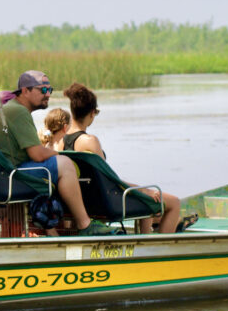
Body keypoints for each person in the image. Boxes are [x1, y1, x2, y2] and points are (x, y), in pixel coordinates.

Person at [0, 71, 113, 236]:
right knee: (65, 164)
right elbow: (37, 154)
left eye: (50, 89)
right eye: (43, 90)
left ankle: (54, 230)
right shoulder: (19, 112)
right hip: (6, 177)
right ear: (25, 91)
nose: (48, 94)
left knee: (58, 164)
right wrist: (58, 156)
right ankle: (84, 224)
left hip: (0, 174)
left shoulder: (14, 110)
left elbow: (34, 152)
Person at [61, 82, 188, 233]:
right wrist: (144, 191)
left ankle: (145, 240)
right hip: (105, 203)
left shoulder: (60, 143)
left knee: (144, 195)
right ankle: (160, 249)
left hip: (79, 204)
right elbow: (110, 179)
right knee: (173, 202)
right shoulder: (90, 141)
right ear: (92, 113)